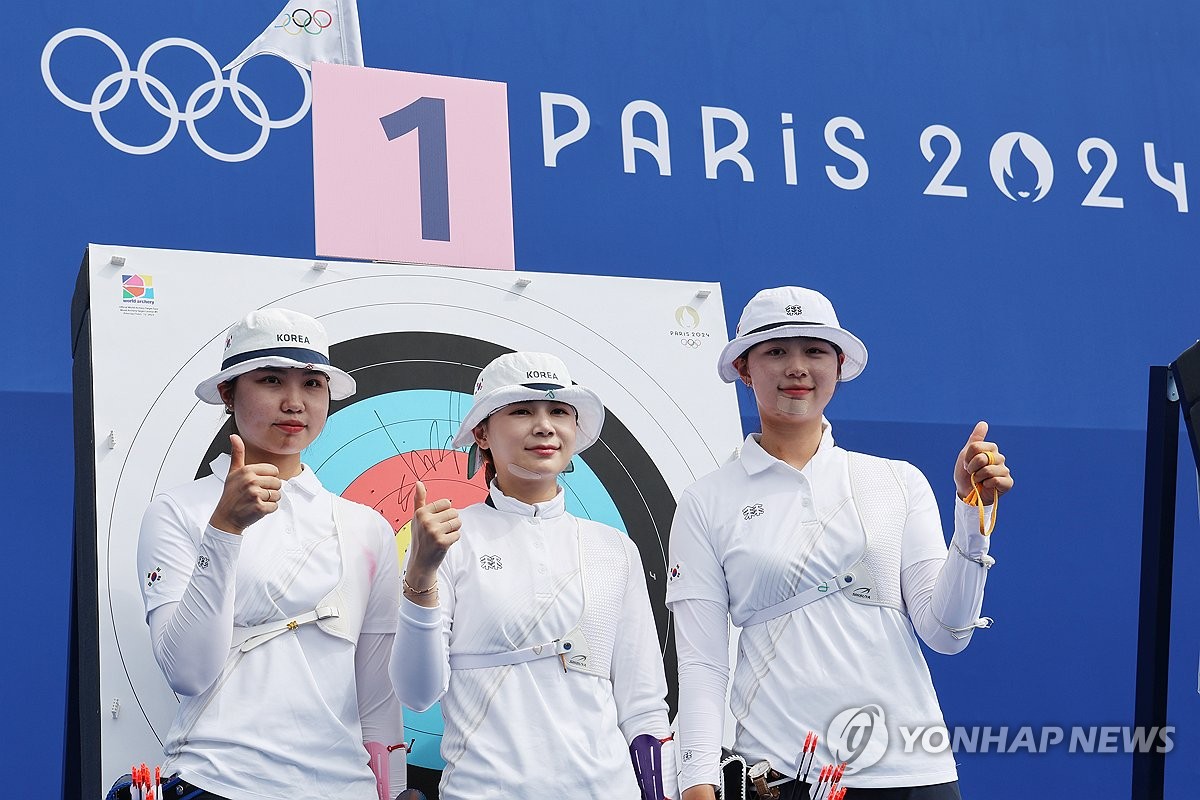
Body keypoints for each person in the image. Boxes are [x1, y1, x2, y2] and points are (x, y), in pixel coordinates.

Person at [667, 287, 1014, 799]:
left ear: (839, 364)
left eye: (814, 351)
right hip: (783, 775)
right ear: (744, 368)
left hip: (916, 773)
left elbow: (947, 632)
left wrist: (970, 512)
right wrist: (695, 780)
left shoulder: (897, 481)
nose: (797, 368)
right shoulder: (705, 501)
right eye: (776, 351)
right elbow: (701, 663)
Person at [136, 309, 407, 800]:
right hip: (217, 781)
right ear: (227, 393)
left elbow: (378, 690)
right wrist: (225, 529)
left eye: (312, 383)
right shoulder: (179, 511)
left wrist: (394, 789)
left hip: (345, 788)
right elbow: (187, 672)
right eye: (270, 380)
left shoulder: (365, 526)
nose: (294, 402)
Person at [391, 352, 679, 799]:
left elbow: (643, 707)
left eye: (559, 411)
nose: (544, 426)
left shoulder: (614, 548)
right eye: (522, 410)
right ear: (482, 432)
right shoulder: (447, 540)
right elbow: (416, 692)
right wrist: (422, 573)